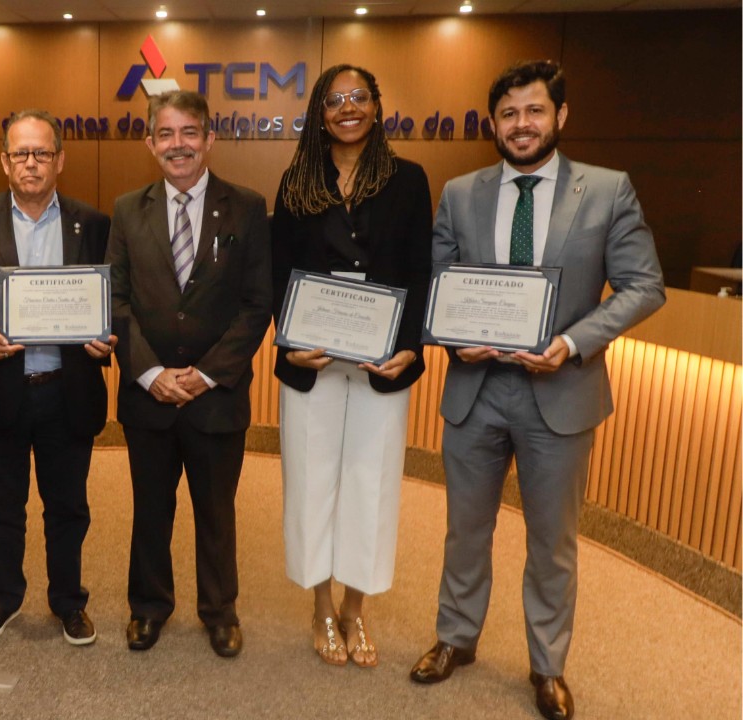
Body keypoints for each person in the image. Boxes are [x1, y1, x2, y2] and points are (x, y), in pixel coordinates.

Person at [408, 61, 665, 720]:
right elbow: (437, 283)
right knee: (464, 529)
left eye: (534, 111)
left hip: (562, 390)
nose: (521, 125)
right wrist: (446, 334)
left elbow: (644, 286)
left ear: (560, 116)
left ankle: (547, 666)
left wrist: (575, 342)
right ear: (492, 123)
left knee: (552, 542)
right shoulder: (461, 192)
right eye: (509, 114)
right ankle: (455, 638)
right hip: (476, 389)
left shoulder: (607, 191)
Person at [270, 64, 432, 668]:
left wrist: (411, 345)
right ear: (319, 111)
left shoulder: (407, 180)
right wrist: (288, 343)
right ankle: (319, 606)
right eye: (334, 100)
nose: (347, 108)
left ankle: (355, 607)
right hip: (312, 362)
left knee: (372, 480)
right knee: (312, 483)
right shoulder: (297, 181)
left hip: (381, 364)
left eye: (358, 96)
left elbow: (420, 271)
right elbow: (279, 271)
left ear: (376, 104)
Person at [105, 90, 271, 659]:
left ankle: (219, 611)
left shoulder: (247, 207)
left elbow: (256, 306)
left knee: (216, 511)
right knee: (150, 508)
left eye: (189, 133)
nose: (178, 145)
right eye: (166, 134)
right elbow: (116, 301)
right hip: (148, 396)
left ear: (209, 138)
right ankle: (148, 607)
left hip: (215, 397)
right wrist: (151, 373)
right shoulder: (128, 209)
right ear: (150, 143)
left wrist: (204, 375)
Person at [0, 109, 114, 646]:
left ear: (60, 160)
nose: (31, 163)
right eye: (20, 153)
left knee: (68, 507)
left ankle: (69, 601)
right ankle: (2, 598)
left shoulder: (91, 223)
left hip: (66, 392)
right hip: (0, 390)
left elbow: (109, 302)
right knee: (3, 509)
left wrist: (105, 337)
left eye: (41, 153)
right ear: (4, 161)